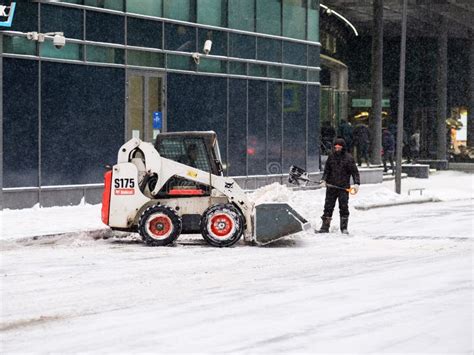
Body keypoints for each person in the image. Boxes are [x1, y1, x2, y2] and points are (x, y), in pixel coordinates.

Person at [317, 138, 360, 234]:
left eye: (339, 147)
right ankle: (325, 227)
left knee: (344, 207)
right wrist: (323, 180)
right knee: (328, 207)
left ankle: (344, 228)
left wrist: (357, 183)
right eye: (335, 147)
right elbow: (327, 170)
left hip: (343, 188)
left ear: (343, 147)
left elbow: (355, 172)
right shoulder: (331, 157)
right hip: (331, 187)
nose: (337, 149)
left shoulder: (349, 158)